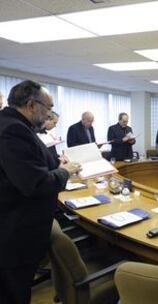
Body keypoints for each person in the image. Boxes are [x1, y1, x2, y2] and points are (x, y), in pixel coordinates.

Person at [0, 80, 81, 304]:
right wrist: (65, 171)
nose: (50, 114)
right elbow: (34, 183)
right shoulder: (13, 130)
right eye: (49, 107)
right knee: (13, 294)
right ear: (31, 104)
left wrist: (56, 162)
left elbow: (29, 162)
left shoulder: (15, 124)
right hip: (15, 232)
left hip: (14, 227)